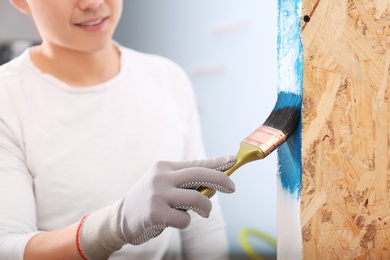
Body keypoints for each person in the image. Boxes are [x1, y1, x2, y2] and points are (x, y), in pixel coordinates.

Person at [0, 0, 237, 259]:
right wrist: (114, 226)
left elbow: (203, 225)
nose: (93, 3)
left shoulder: (167, 77)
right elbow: (7, 247)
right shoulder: (8, 98)